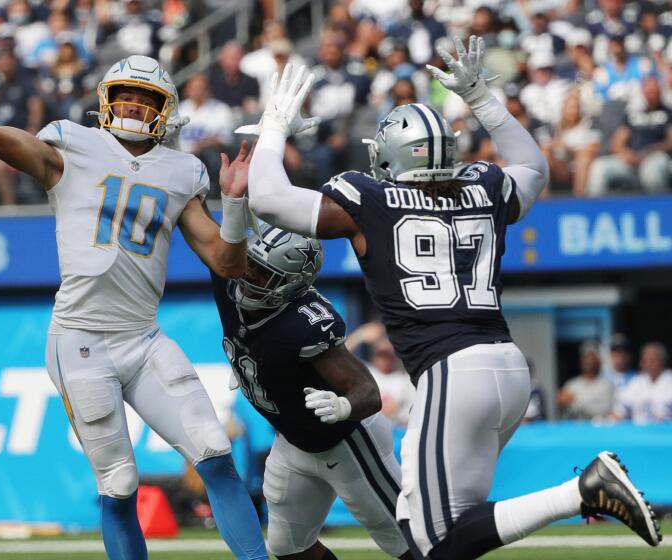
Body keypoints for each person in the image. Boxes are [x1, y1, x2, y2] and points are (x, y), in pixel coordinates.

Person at [243, 36, 661, 559]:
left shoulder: (369, 197)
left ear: (390, 157)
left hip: (453, 373)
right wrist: (484, 100)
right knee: (437, 537)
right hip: (508, 370)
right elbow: (533, 170)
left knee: (434, 539)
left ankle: (582, 490)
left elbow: (267, 197)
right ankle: (581, 491)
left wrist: (274, 127)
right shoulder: (485, 185)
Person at [0, 54, 267, 560]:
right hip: (81, 339)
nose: (133, 106)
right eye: (125, 94)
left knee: (215, 453)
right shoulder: (72, 144)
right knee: (120, 482)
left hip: (144, 338)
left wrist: (234, 207)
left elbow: (223, 259)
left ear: (165, 110)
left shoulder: (183, 170)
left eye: (146, 99)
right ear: (104, 100)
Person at [212, 223, 412, 560]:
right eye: (251, 263)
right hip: (294, 440)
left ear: (290, 285)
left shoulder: (302, 323)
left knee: (412, 543)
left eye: (263, 273)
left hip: (346, 440)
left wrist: (344, 405)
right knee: (290, 550)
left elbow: (367, 391)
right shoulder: (229, 278)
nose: (248, 275)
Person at [612, 342, 672, 423]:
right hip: (640, 432)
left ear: (662, 361)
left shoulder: (669, 379)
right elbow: (620, 410)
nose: (649, 363)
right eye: (646, 359)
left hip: (665, 432)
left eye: (652, 359)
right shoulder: (637, 381)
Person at [557, 341, 615, 420]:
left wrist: (575, 400)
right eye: (585, 357)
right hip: (574, 429)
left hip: (596, 430)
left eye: (591, 356)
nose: (588, 360)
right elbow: (563, 408)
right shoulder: (571, 384)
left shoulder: (606, 385)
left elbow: (604, 410)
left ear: (599, 360)